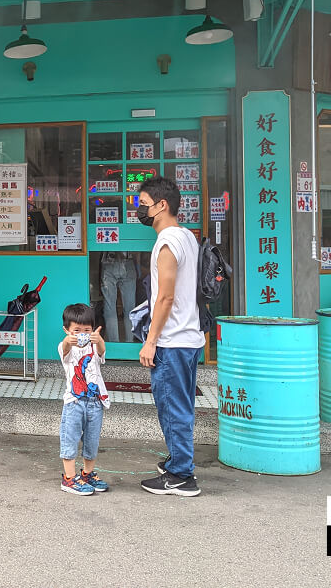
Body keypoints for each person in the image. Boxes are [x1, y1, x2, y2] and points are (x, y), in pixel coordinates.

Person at [135, 177, 203, 497]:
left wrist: (151, 340)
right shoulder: (187, 237)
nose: (140, 210)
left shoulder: (166, 243)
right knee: (181, 404)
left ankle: (180, 476)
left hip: (172, 341)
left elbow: (165, 297)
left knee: (171, 406)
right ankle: (178, 460)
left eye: (143, 204)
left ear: (162, 206)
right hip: (189, 339)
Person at [58, 303, 110, 496]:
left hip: (95, 402)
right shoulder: (66, 347)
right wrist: (68, 341)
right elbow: (63, 350)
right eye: (77, 330)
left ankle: (87, 474)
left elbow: (102, 353)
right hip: (74, 402)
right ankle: (69, 479)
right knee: (69, 438)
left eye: (87, 330)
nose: (82, 334)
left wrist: (99, 340)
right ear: (67, 330)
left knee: (92, 440)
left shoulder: (94, 346)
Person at [100, 252, 136, 342]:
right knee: (130, 308)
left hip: (109, 258)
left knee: (109, 307)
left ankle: (114, 344)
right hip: (128, 258)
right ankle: (129, 344)